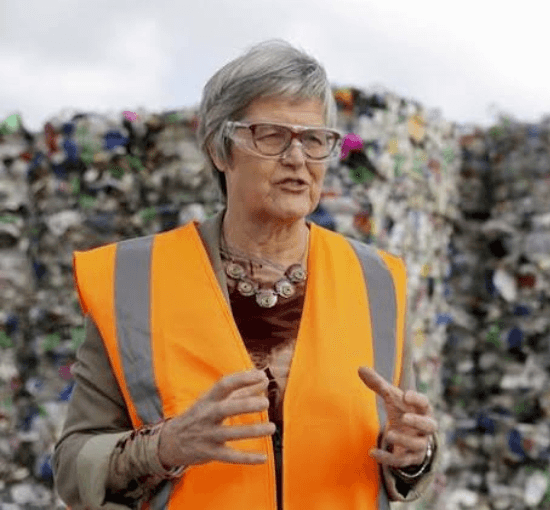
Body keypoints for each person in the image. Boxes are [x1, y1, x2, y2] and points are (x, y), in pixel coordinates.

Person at [51, 39, 439, 510]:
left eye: (314, 140)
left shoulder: (376, 281)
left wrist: (413, 455)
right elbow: (72, 467)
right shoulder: (133, 280)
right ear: (220, 148)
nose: (297, 159)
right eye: (271, 135)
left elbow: (399, 452)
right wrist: (165, 447)